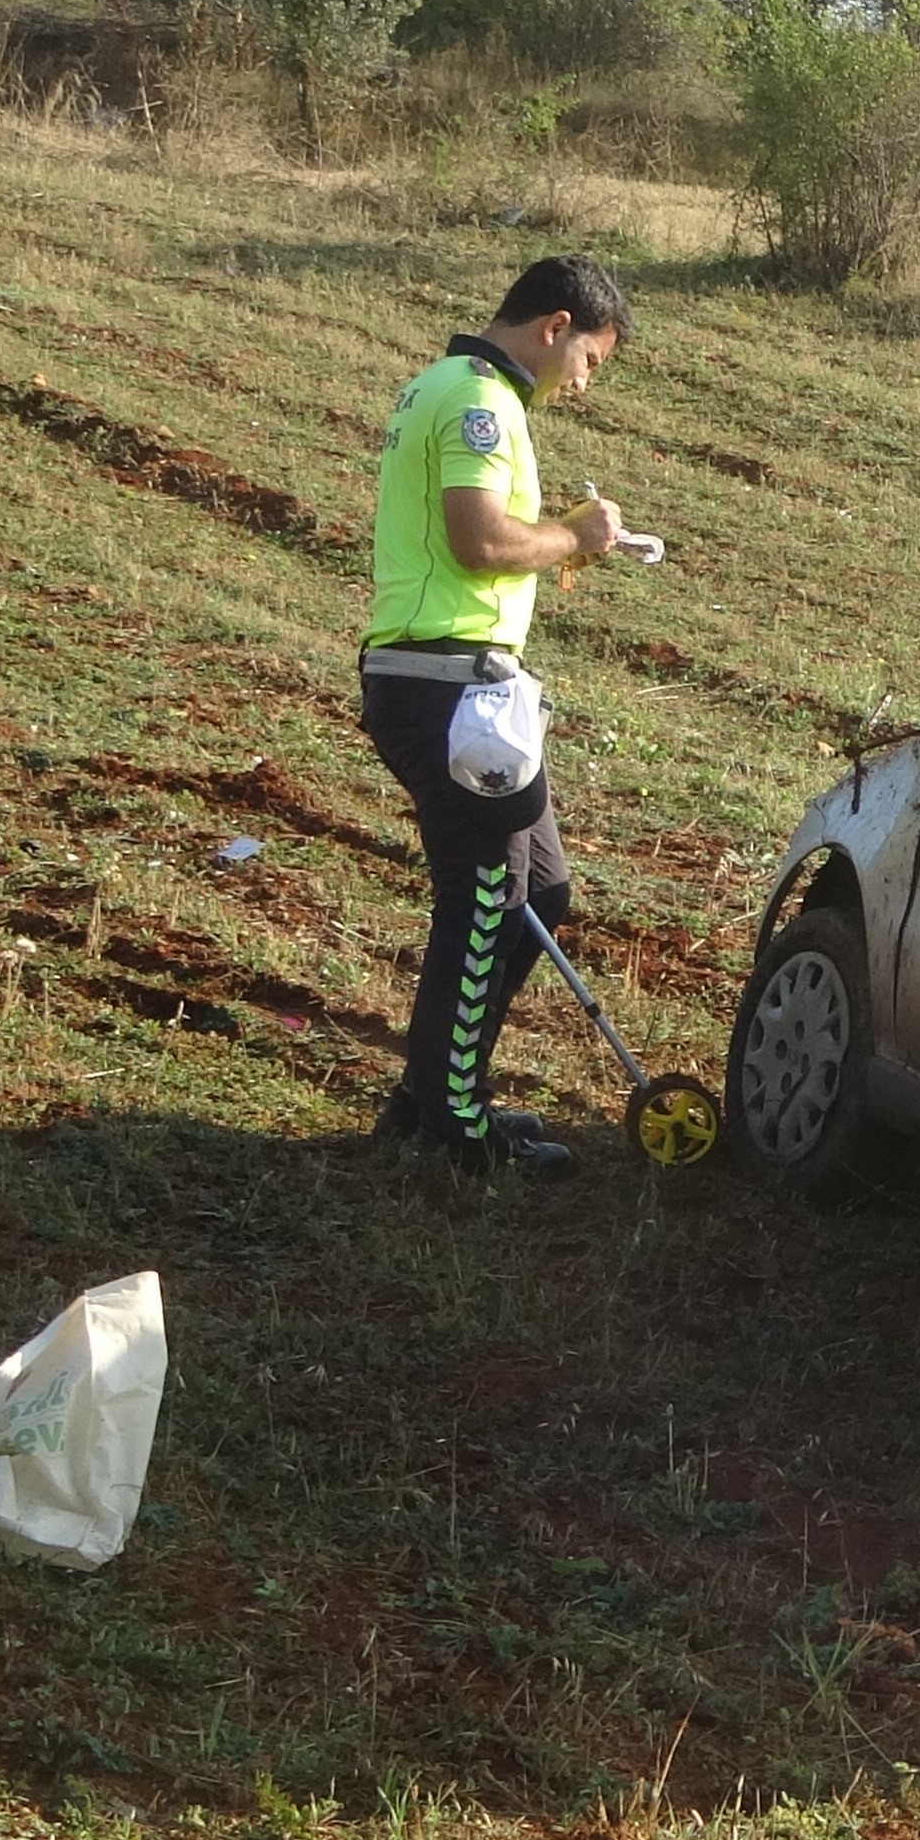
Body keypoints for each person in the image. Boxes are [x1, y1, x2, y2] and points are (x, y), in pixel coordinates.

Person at [358, 256, 633, 1178]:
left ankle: (429, 1094)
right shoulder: (481, 402)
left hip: (459, 685)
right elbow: (479, 541)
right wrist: (578, 536)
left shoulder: (444, 385)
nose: (584, 383)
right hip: (443, 687)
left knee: (539, 892)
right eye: (591, 360)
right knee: (485, 903)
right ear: (555, 327)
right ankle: (455, 1129)